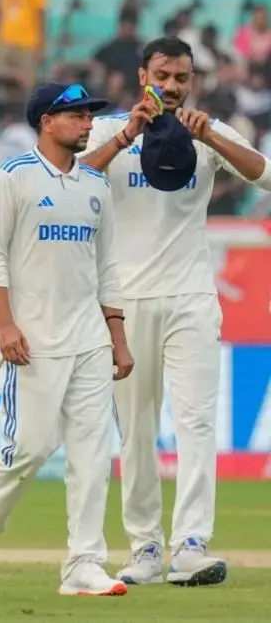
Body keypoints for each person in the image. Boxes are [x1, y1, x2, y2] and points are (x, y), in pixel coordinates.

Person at [80, 37, 271, 587]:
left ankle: (191, 545)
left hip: (190, 295)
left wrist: (209, 134)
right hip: (124, 300)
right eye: (162, 75)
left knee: (195, 422)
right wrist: (125, 137)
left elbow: (265, 173)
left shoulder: (203, 128)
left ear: (192, 81)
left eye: (181, 77)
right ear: (142, 74)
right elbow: (72, 181)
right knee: (137, 431)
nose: (171, 86)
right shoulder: (106, 130)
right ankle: (144, 547)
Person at [0, 83, 134, 596]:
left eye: (88, 116)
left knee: (93, 455)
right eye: (76, 115)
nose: (86, 124)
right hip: (34, 340)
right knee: (29, 448)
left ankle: (83, 563)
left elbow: (107, 269)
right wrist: (5, 325)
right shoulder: (11, 178)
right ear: (46, 121)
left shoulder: (96, 186)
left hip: (90, 341)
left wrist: (117, 337)